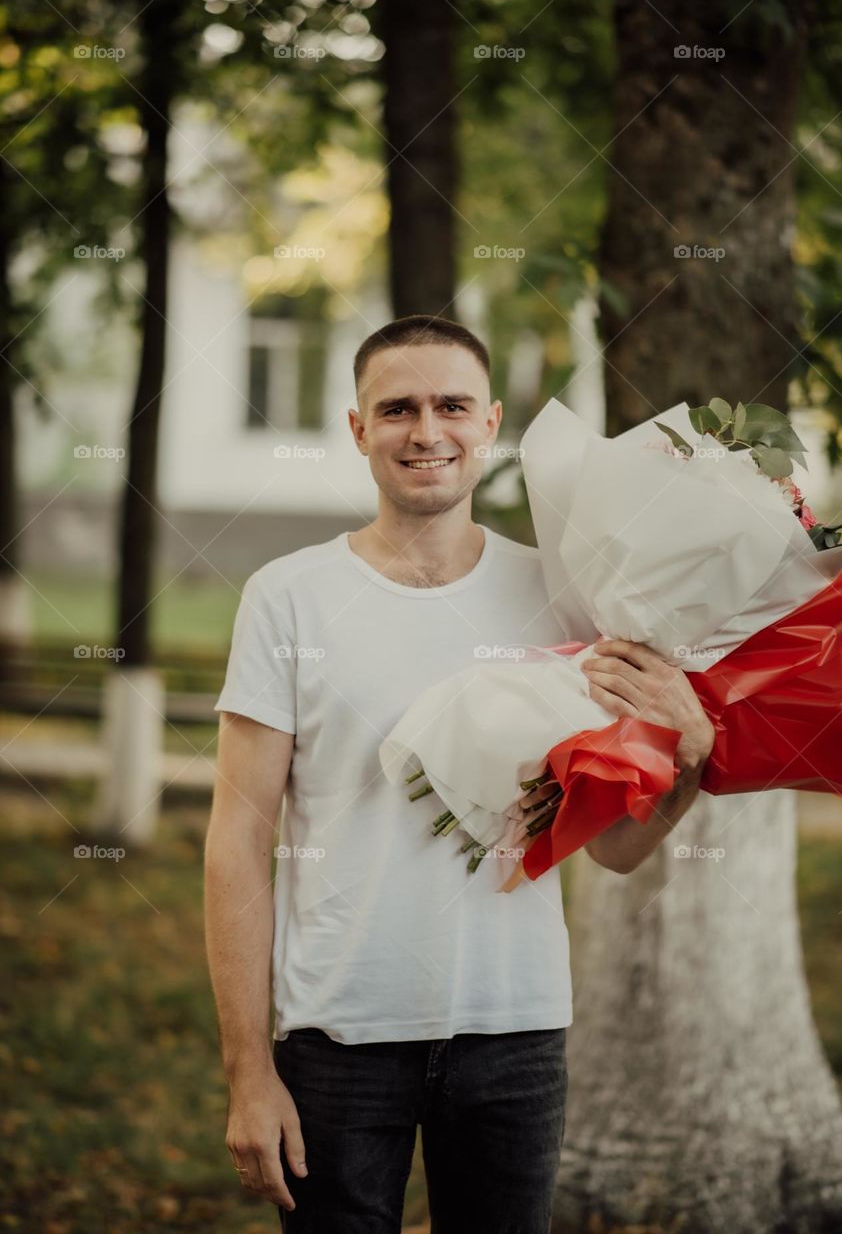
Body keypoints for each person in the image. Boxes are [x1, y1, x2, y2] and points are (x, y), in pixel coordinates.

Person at [203, 314, 714, 1233]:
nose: (425, 430)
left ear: (491, 425)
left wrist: (689, 760)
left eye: (452, 406)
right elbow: (237, 836)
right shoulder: (289, 594)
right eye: (396, 408)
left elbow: (618, 853)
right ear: (358, 430)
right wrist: (249, 1073)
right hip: (338, 1036)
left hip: (514, 1036)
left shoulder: (564, 596)